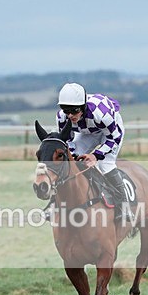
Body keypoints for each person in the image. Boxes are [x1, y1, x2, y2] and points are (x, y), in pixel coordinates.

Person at [56, 82, 134, 223]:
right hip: (87, 133)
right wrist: (73, 155)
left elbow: (114, 138)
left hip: (110, 133)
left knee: (105, 165)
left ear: (83, 106)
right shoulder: (62, 117)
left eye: (74, 110)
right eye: (66, 110)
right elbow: (67, 142)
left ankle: (124, 206)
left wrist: (95, 155)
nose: (70, 115)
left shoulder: (101, 113)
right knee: (71, 161)